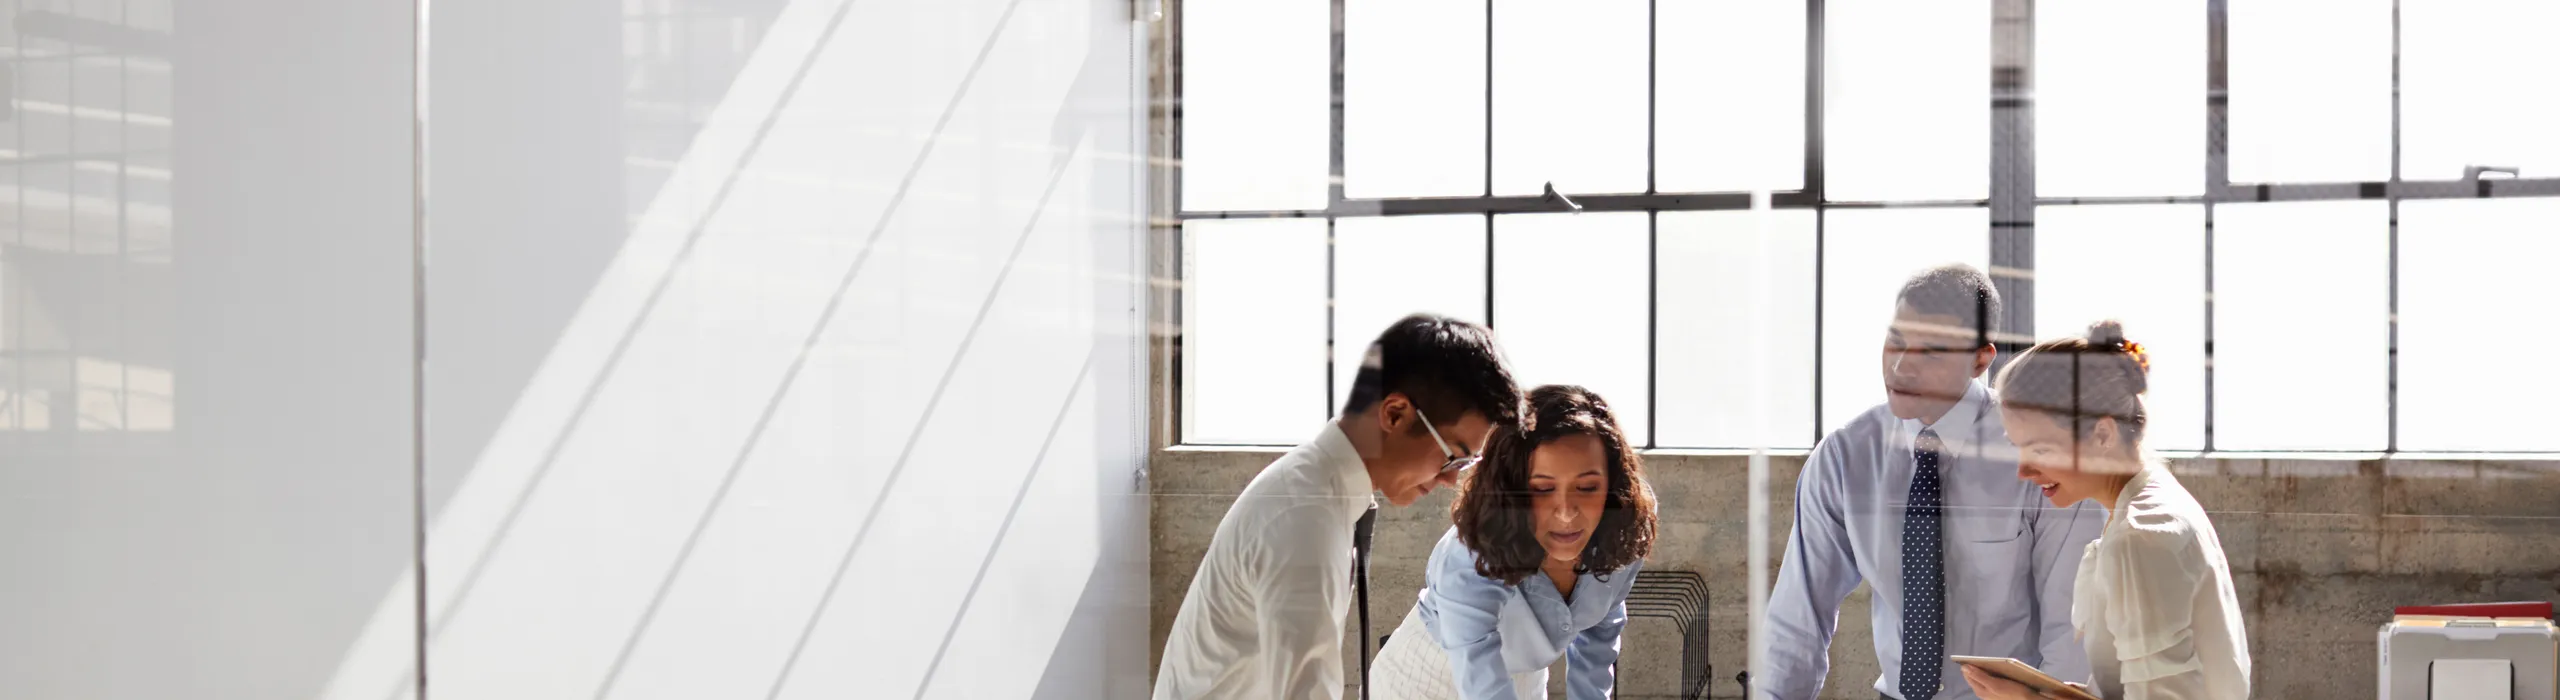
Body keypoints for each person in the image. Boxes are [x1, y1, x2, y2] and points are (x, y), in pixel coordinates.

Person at [1763, 264, 2107, 700]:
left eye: (1932, 351)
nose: (1903, 366)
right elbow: (1799, 618)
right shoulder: (1845, 457)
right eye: (1897, 341)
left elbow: (2071, 630)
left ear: (1981, 359)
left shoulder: (2039, 456)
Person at [1155, 313, 1526, 700]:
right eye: (1453, 456)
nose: (1452, 480)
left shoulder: (1317, 491)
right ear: (1394, 414)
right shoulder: (1304, 517)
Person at [1963, 321, 2250, 700]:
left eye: (2040, 450)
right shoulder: (2157, 500)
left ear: (2103, 434)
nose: (2024, 471)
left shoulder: (2140, 535)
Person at [1369, 385, 1660, 700]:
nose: (1566, 512)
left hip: (1524, 675)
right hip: (1425, 677)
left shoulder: (1624, 524)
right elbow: (1478, 667)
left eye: (1587, 487)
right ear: (1512, 491)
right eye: (1542, 489)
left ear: (1612, 487)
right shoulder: (1470, 554)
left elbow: (1601, 630)